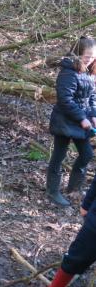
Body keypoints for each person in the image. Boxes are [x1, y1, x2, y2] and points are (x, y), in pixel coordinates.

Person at [45, 37, 96, 207]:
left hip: (80, 122)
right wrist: (82, 118)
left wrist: (93, 115)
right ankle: (52, 191)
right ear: (77, 53)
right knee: (59, 156)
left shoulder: (88, 73)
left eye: (92, 57)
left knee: (87, 154)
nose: (89, 60)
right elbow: (65, 100)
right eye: (87, 56)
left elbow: (91, 97)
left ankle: (73, 189)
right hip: (64, 122)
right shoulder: (68, 72)